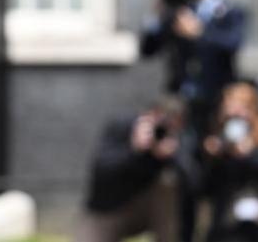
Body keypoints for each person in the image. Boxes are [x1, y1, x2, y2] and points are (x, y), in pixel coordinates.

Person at [141, 0, 248, 137]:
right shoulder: (179, 11)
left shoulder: (231, 12)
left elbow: (232, 44)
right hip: (181, 97)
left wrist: (199, 33)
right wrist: (157, 17)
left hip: (216, 96)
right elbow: (148, 49)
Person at [76, 97, 200, 242]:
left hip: (145, 209)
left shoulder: (175, 139)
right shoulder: (123, 125)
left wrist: (173, 156)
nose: (162, 131)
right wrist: (134, 150)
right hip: (107, 210)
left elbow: (195, 181)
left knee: (169, 181)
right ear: (150, 116)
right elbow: (102, 170)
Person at [201, 82, 258, 242]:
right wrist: (213, 157)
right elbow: (205, 187)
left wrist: (250, 155)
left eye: (241, 109)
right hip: (229, 220)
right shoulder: (219, 137)